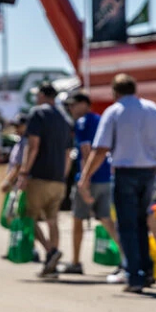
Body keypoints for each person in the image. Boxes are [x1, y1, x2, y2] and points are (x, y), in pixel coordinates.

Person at [78, 73, 156, 294]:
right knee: (142, 223)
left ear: (115, 92)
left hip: (125, 172)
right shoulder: (153, 109)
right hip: (150, 173)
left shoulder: (114, 112)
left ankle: (135, 276)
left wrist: (85, 177)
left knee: (127, 225)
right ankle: (147, 271)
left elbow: (100, 149)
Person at [60, 93, 122, 276]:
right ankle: (127, 259)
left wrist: (84, 181)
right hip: (105, 176)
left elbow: (87, 152)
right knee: (106, 218)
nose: (70, 109)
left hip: (90, 178)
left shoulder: (83, 123)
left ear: (84, 104)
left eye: (72, 105)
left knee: (78, 218)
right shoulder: (100, 119)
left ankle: (76, 262)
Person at [16, 83, 72, 280]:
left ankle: (50, 252)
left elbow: (33, 146)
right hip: (58, 179)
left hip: (39, 177)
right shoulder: (64, 119)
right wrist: (63, 176)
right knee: (52, 220)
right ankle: (52, 263)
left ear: (42, 95)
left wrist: (23, 172)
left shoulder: (38, 114)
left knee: (27, 216)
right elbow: (68, 154)